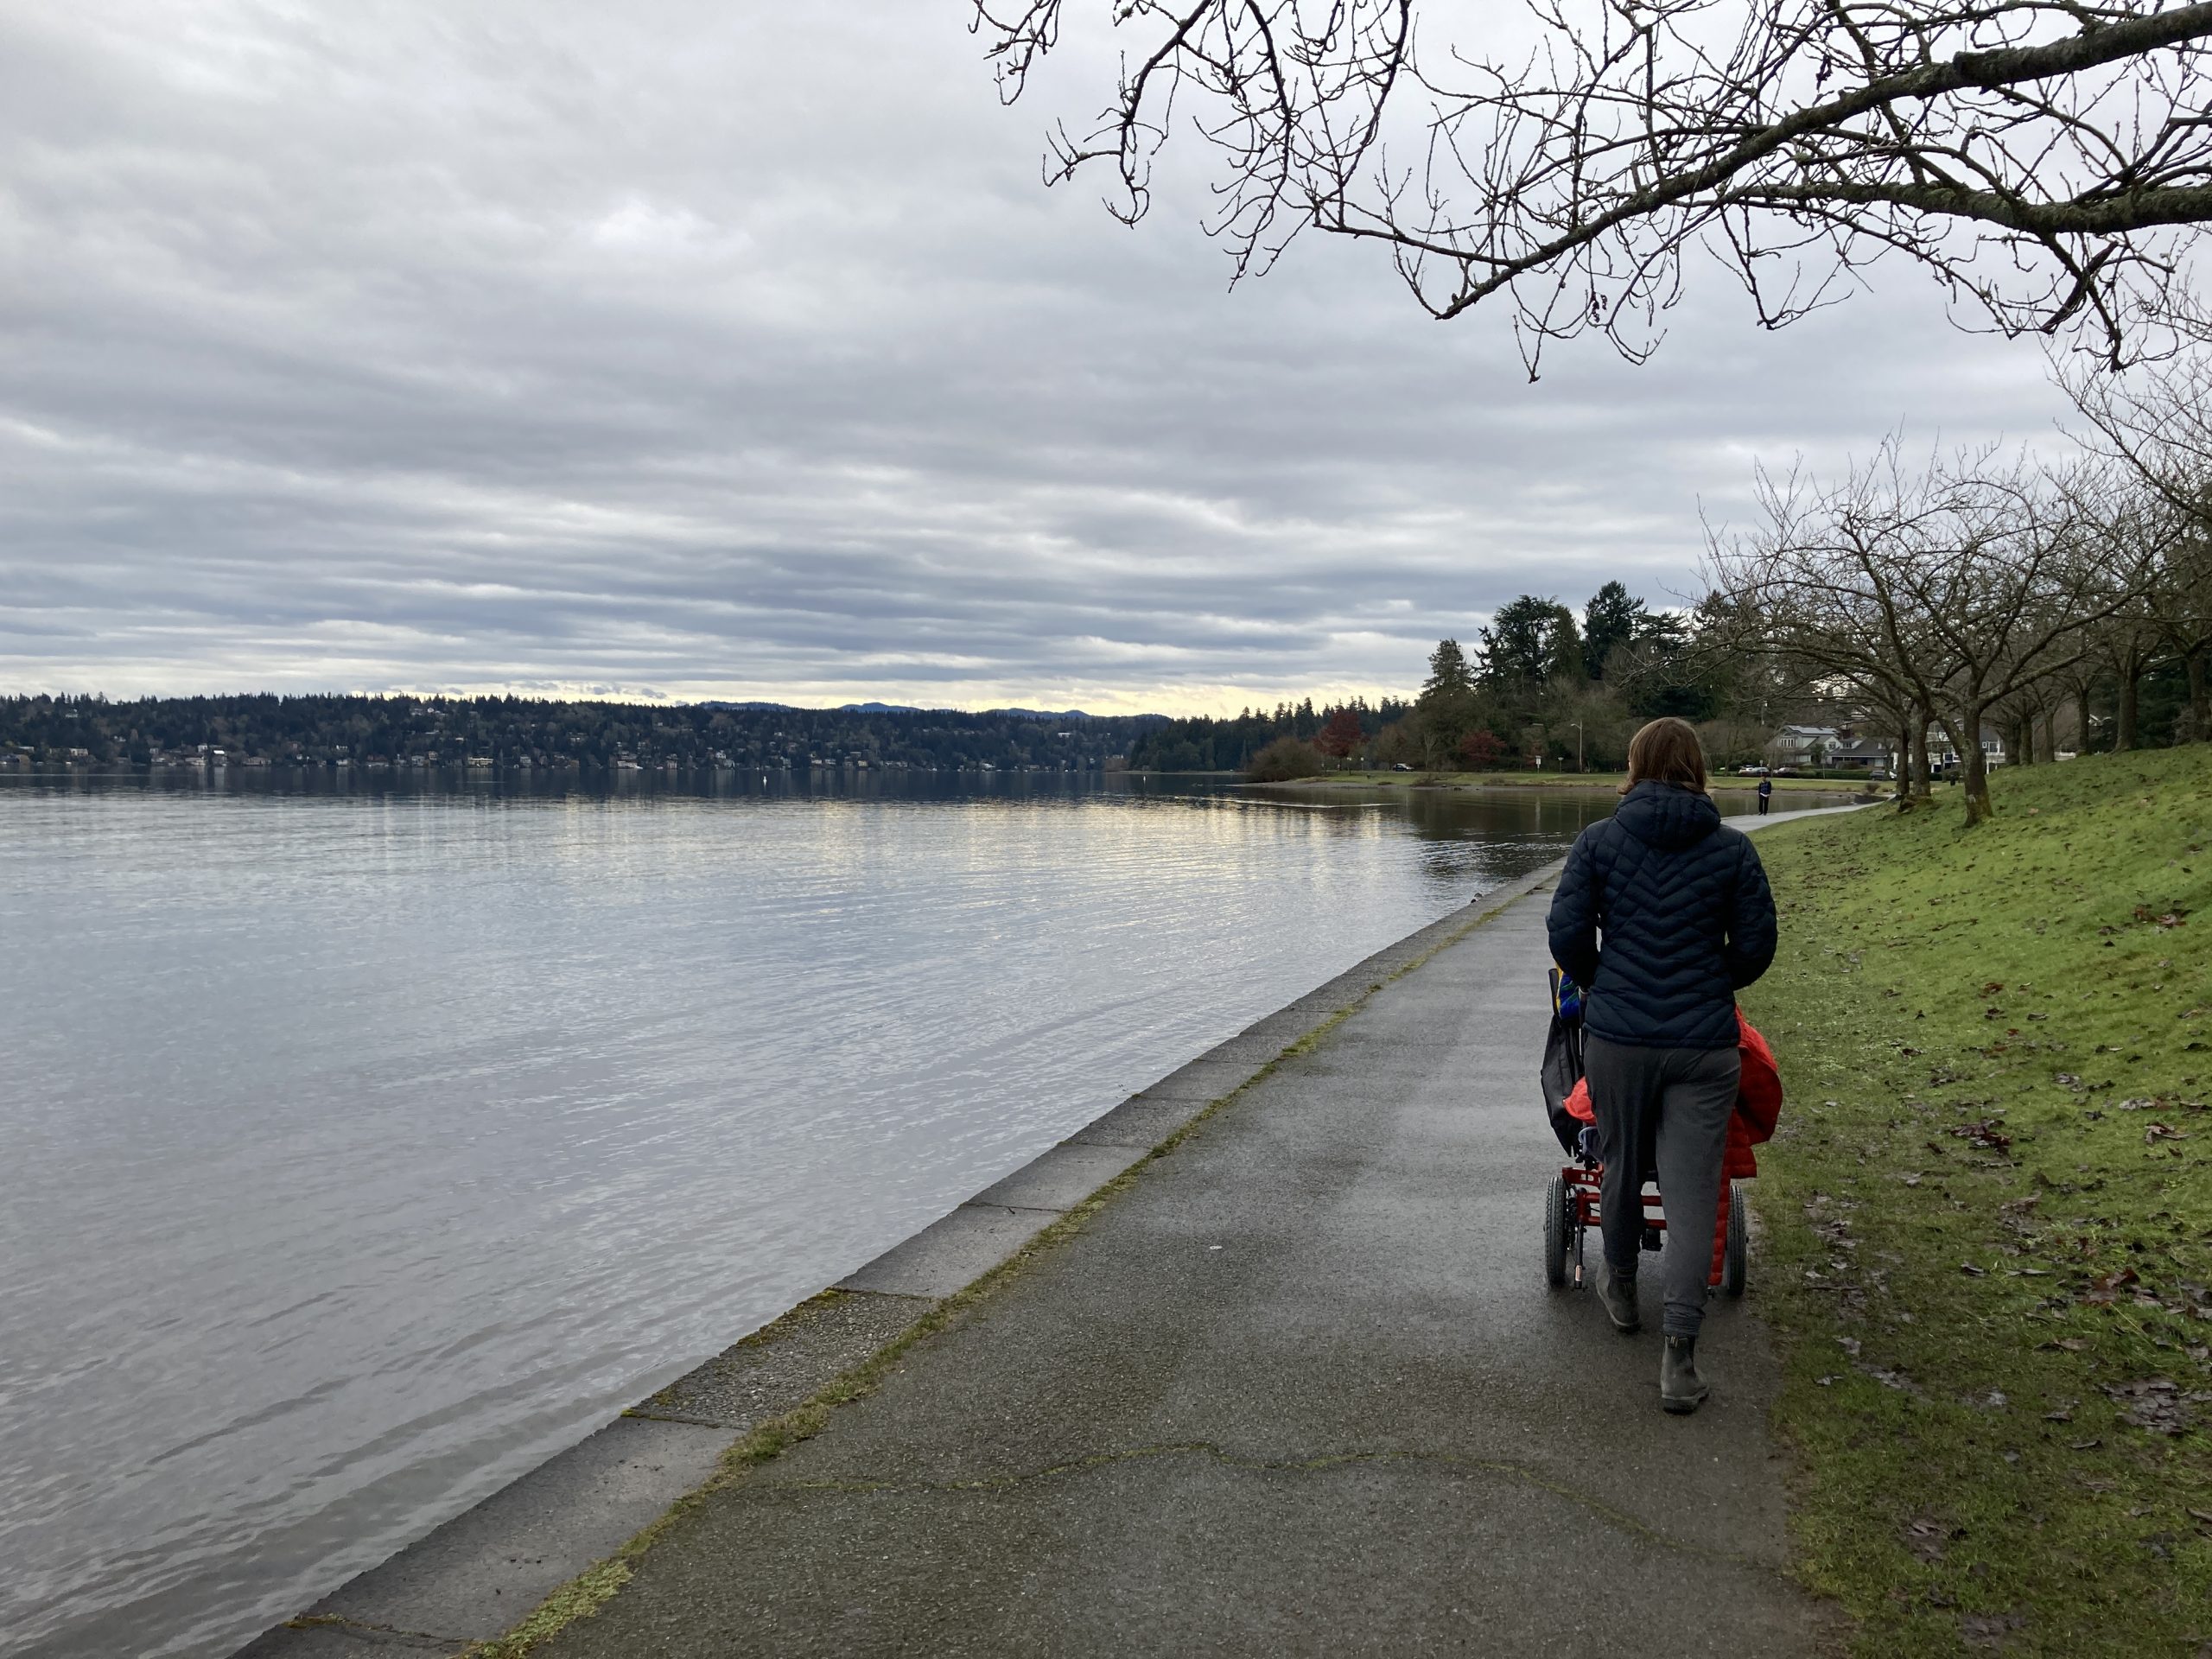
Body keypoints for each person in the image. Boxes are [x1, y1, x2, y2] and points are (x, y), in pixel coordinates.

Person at [1546, 717, 1777, 1414]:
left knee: (1617, 1164)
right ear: (1699, 768)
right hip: (1704, 1044)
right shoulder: (1732, 851)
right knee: (1691, 1192)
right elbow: (1758, 945)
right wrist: (1713, 980)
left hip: (1619, 1040)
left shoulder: (1598, 842)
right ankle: (1679, 1358)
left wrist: (1604, 982)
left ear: (1635, 765)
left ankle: (1618, 1284)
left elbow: (1566, 933)